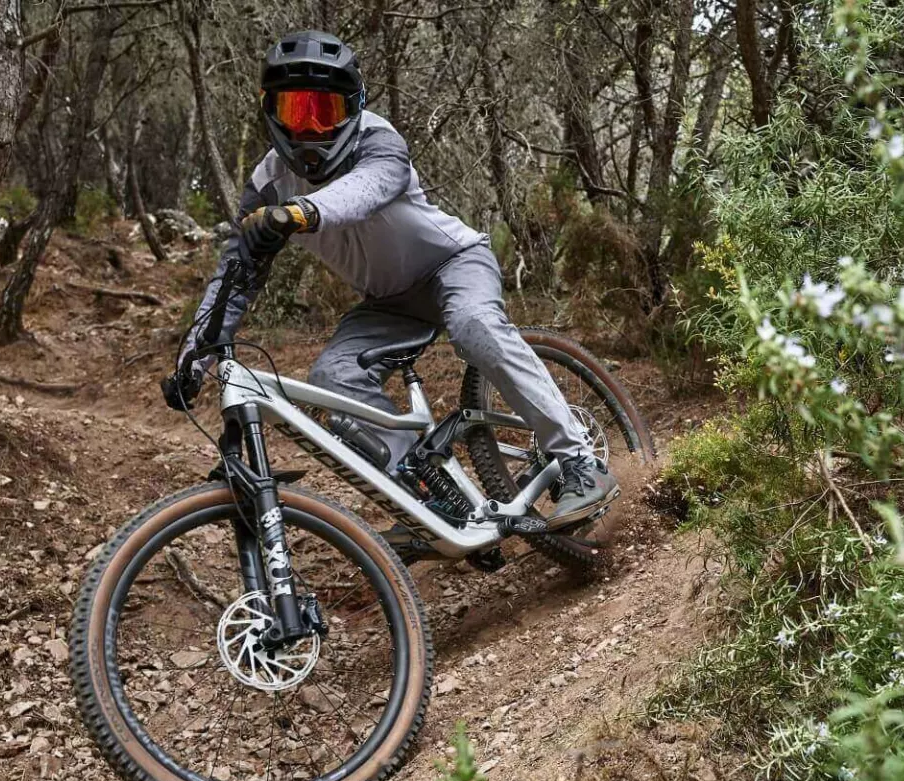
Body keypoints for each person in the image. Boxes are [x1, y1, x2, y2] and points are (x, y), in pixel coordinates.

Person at [160, 29, 614, 529]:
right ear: (271, 112)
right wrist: (196, 357)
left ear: (352, 107)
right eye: (297, 112)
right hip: (388, 302)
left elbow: (366, 189)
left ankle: (580, 462)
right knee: (334, 379)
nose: (310, 129)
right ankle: (430, 497)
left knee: (474, 326)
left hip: (454, 265)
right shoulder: (266, 184)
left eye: (325, 112)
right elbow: (235, 273)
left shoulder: (379, 140)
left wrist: (299, 212)